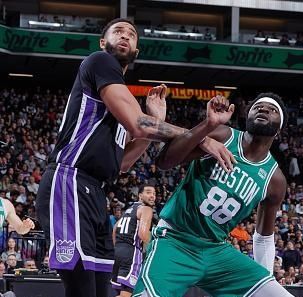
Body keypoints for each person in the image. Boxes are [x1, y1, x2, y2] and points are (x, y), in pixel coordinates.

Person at [36, 18, 233, 297]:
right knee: (81, 290)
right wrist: (203, 136)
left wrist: (155, 120)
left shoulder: (117, 103)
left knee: (103, 290)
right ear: (103, 43)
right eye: (118, 31)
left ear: (137, 51)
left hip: (95, 193)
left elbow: (125, 163)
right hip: (69, 181)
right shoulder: (99, 62)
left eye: (131, 34)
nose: (125, 36)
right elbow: (138, 125)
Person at [133, 93, 295, 296]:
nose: (263, 109)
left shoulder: (275, 180)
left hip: (217, 251)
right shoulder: (223, 135)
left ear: (279, 129)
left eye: (272, 110)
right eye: (258, 106)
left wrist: (266, 276)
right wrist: (208, 125)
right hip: (176, 240)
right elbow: (164, 162)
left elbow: (263, 237)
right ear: (247, 115)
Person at [111, 185, 155, 297]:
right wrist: (155, 246)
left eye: (154, 194)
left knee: (120, 293)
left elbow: (114, 230)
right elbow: (143, 234)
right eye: (149, 192)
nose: (152, 196)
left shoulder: (129, 209)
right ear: (140, 196)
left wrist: (118, 247)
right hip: (131, 253)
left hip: (117, 252)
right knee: (126, 294)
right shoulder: (146, 209)